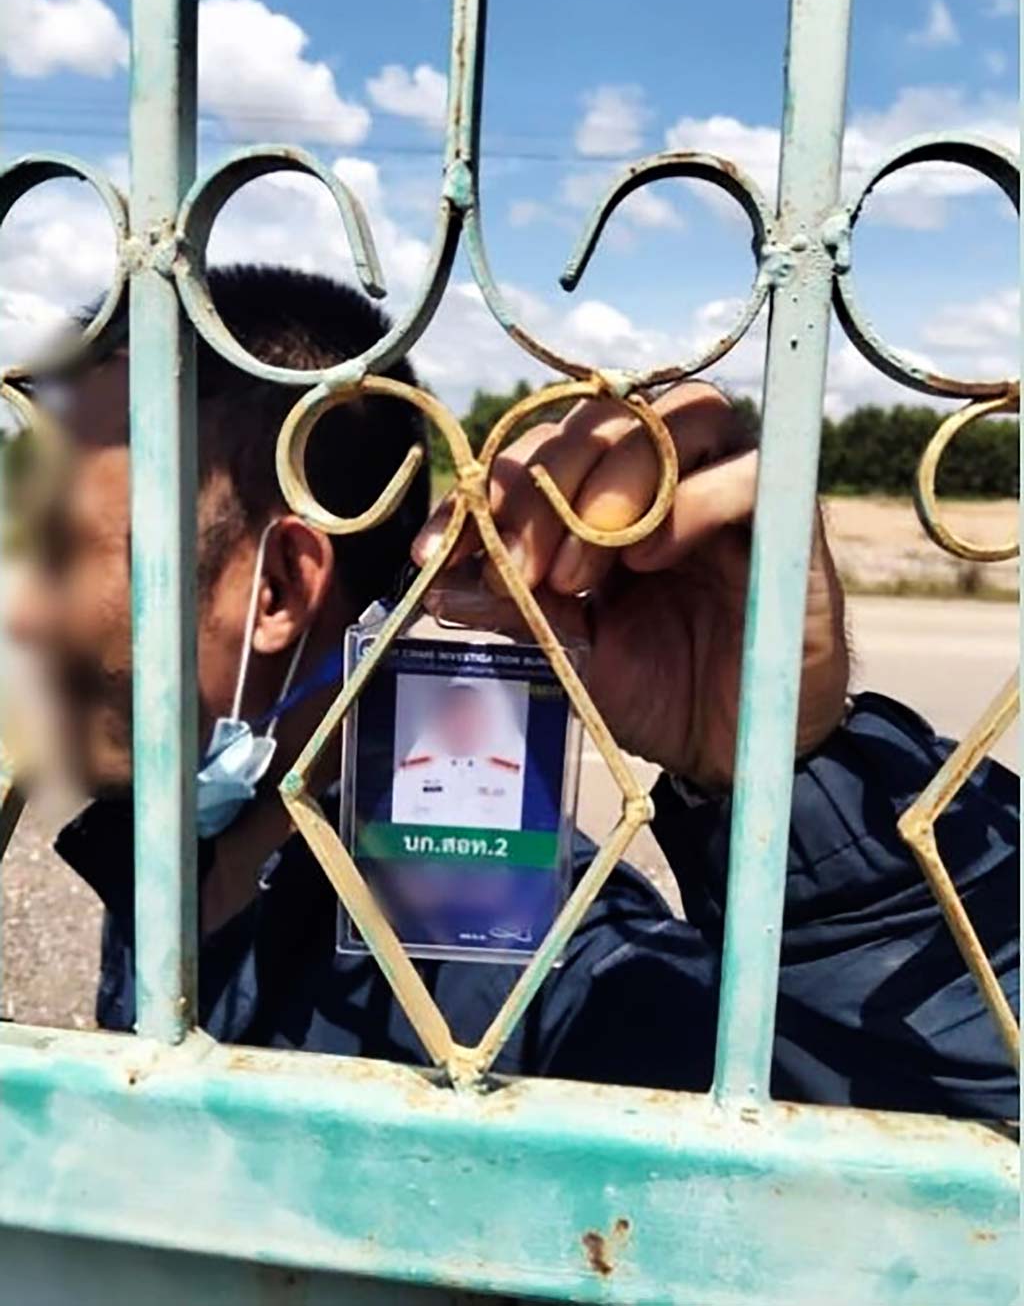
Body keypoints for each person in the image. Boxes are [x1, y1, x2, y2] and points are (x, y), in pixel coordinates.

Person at [5, 265, 1017, 1119]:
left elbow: (950, 1163)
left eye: (58, 551)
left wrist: (793, 787)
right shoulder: (165, 845)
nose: (18, 610)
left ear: (278, 587)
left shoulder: (504, 949)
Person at [392, 679, 525, 829]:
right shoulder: (410, 774)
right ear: (438, 723)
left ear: (486, 723)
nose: (462, 727)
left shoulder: (510, 776)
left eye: (471, 719)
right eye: (454, 719)